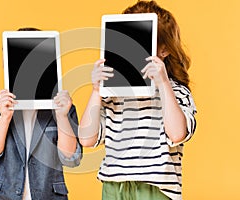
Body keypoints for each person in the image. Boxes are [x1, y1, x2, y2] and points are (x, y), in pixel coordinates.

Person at [78, 1, 197, 200]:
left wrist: (164, 84)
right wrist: (96, 90)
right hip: (114, 186)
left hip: (156, 188)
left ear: (164, 49)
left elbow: (177, 134)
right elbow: (87, 139)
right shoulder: (112, 94)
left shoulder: (177, 92)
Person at [0, 27, 82, 200]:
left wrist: (62, 116)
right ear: (6, 62)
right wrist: (4, 117)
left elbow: (71, 159)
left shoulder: (62, 107)